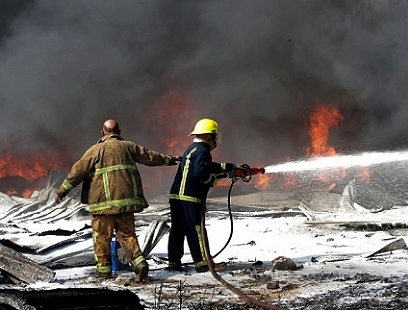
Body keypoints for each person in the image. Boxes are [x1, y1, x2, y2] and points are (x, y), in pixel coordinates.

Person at [55, 119, 181, 283]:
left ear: (102, 132)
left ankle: (103, 272)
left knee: (101, 238)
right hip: (126, 205)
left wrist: (62, 191)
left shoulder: (95, 150)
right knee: (128, 236)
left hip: (103, 206)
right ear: (119, 132)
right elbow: (150, 157)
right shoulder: (128, 147)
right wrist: (170, 159)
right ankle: (140, 264)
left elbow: (77, 171)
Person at [167, 118, 260, 273]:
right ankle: (203, 264)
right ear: (207, 136)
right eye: (214, 136)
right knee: (196, 230)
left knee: (178, 230)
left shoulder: (192, 148)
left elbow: (209, 166)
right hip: (189, 198)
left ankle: (173, 262)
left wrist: (230, 167)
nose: (216, 140)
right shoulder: (203, 150)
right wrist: (213, 181)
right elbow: (200, 173)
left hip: (177, 197)